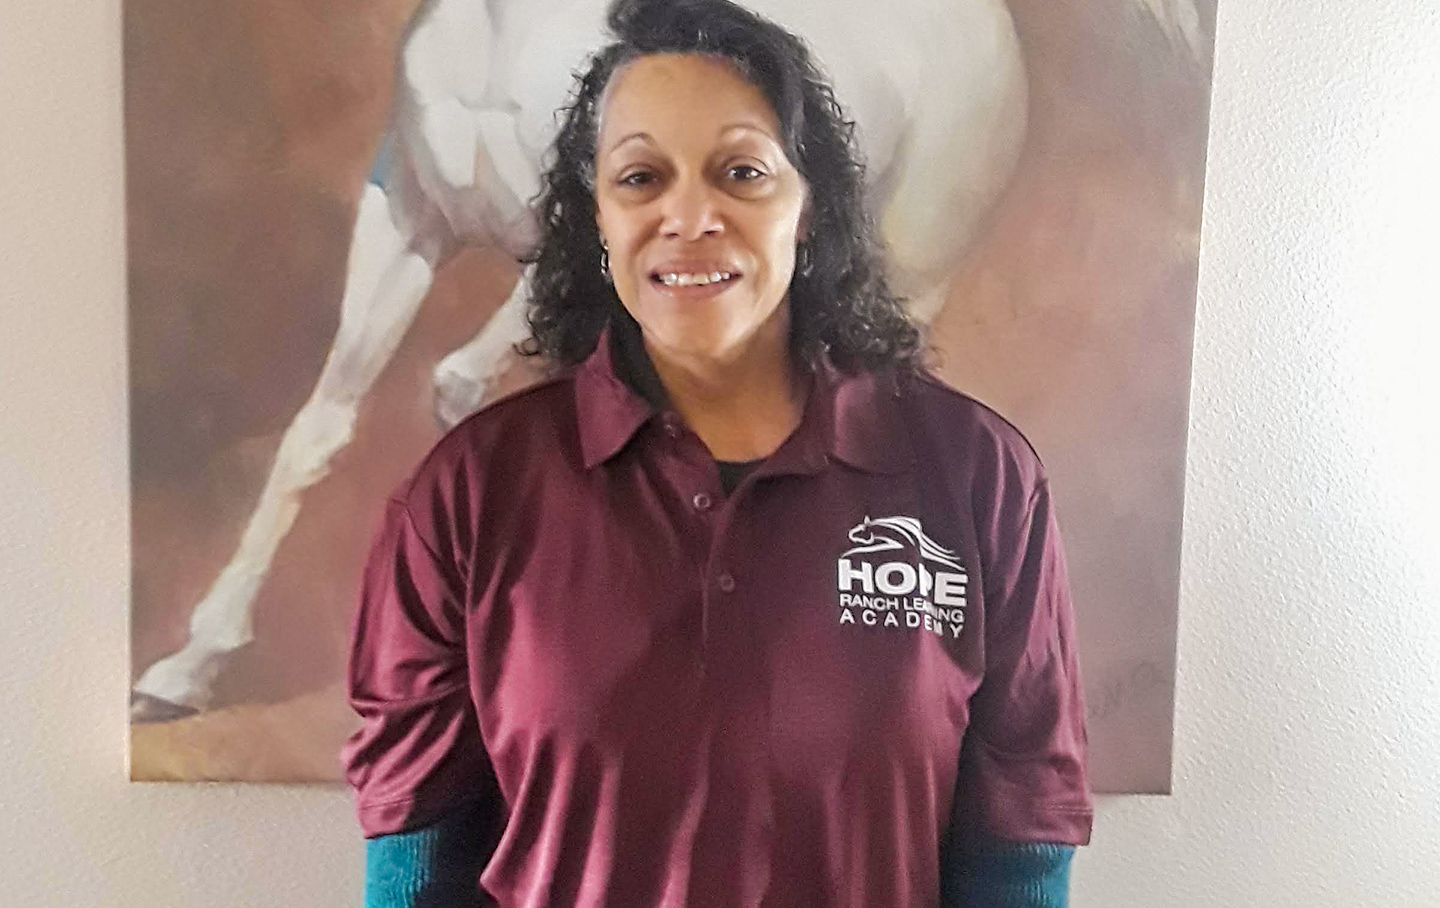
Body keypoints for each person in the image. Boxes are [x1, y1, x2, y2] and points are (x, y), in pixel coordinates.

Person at [343, 0, 1092, 905]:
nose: (690, 215)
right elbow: (417, 856)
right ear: (596, 218)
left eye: (741, 172)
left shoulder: (977, 478)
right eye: (641, 177)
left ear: (808, 205)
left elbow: (1019, 836)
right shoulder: (469, 495)